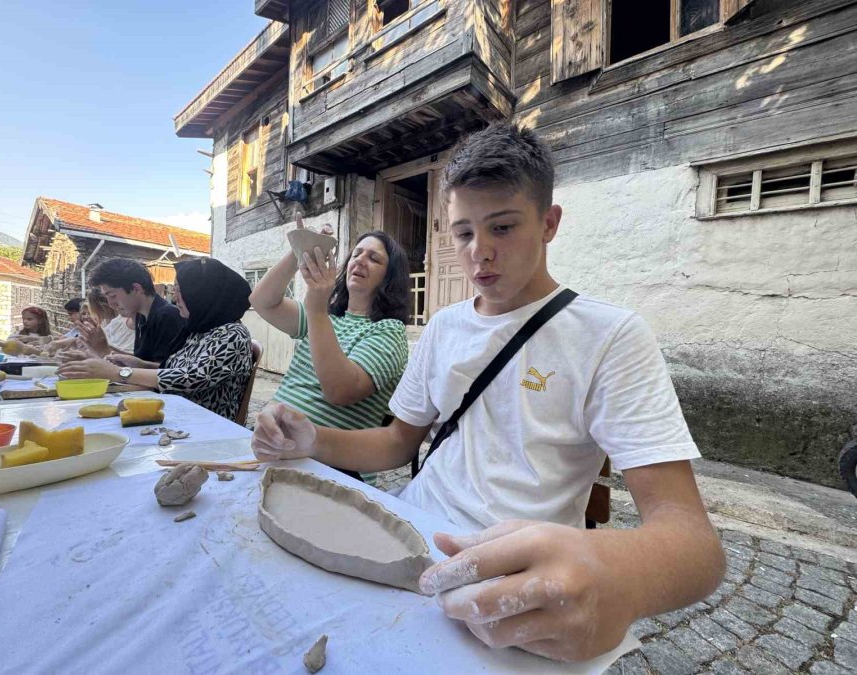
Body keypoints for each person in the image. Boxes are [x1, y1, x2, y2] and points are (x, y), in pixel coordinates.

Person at [251, 123, 725, 663]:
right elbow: (397, 443)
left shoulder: (610, 336)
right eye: (463, 233)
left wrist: (616, 572)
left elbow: (695, 546)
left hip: (517, 573)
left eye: (502, 227)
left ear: (549, 224)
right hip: (410, 535)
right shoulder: (445, 328)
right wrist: (312, 440)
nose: (480, 254)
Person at [249, 218, 410, 480]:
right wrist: (300, 248)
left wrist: (315, 306)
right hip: (275, 448)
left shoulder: (388, 331)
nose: (359, 261)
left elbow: (340, 390)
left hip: (330, 469)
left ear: (389, 278)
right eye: (356, 254)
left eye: (374, 259)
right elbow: (262, 301)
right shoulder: (327, 317)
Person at [58, 258, 253, 420]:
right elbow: (176, 369)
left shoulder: (232, 334)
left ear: (205, 295)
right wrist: (138, 363)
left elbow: (190, 379)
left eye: (180, 293)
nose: (175, 299)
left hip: (204, 425)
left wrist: (119, 372)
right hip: (175, 416)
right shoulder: (199, 330)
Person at [86, 258, 185, 365]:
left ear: (136, 289)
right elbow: (141, 361)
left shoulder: (167, 316)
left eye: (112, 296)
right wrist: (102, 348)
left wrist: (104, 351)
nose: (111, 304)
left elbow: (165, 372)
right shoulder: (141, 316)